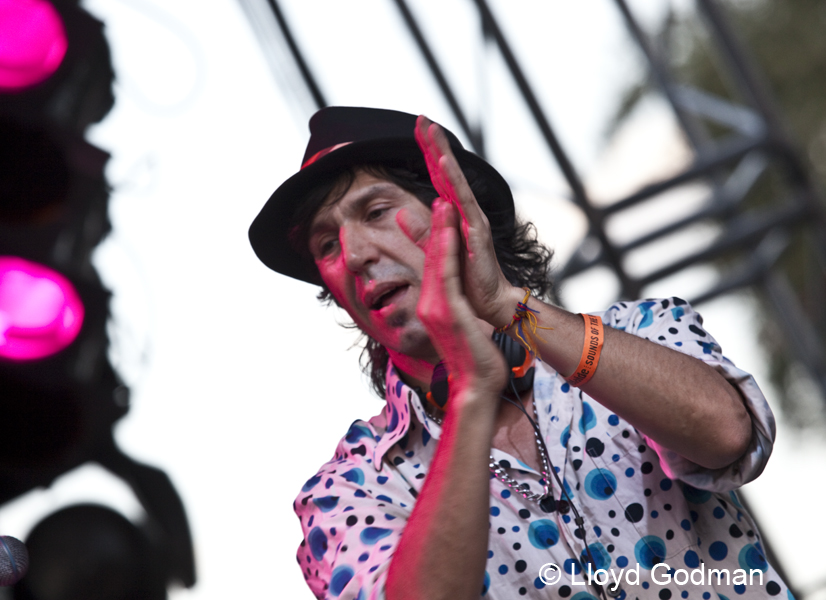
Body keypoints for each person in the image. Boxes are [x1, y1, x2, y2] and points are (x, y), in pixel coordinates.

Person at [249, 107, 790, 600]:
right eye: (325, 245)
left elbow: (727, 434)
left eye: (376, 211)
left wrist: (510, 308)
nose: (356, 253)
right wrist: (469, 393)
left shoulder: (639, 332)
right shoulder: (346, 491)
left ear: (458, 215)